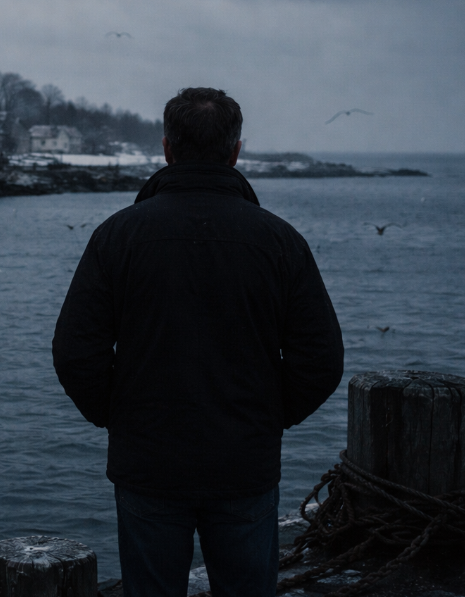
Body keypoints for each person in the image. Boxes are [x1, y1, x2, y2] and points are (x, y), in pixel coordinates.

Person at [52, 87, 344, 597]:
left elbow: (76, 352)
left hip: (147, 461)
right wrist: (265, 414)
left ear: (167, 148)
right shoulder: (279, 241)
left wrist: (120, 413)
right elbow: (320, 360)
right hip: (244, 463)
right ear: (235, 151)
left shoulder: (117, 236)